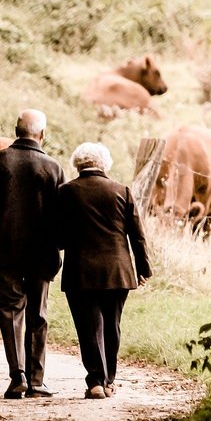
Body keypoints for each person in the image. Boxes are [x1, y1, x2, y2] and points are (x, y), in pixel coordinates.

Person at [0, 109, 66, 399]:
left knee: (11, 312)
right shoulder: (53, 168)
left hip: (5, 253)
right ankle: (37, 381)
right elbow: (61, 217)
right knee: (38, 314)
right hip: (42, 255)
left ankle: (18, 377)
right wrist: (59, 248)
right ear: (42, 134)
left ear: (16, 130)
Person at [57, 142, 151, 399]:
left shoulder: (66, 192)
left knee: (88, 327)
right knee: (112, 325)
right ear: (105, 164)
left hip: (80, 272)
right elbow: (137, 236)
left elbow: (59, 236)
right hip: (118, 271)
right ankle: (109, 380)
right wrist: (143, 269)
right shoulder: (122, 191)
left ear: (78, 163)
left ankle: (95, 382)